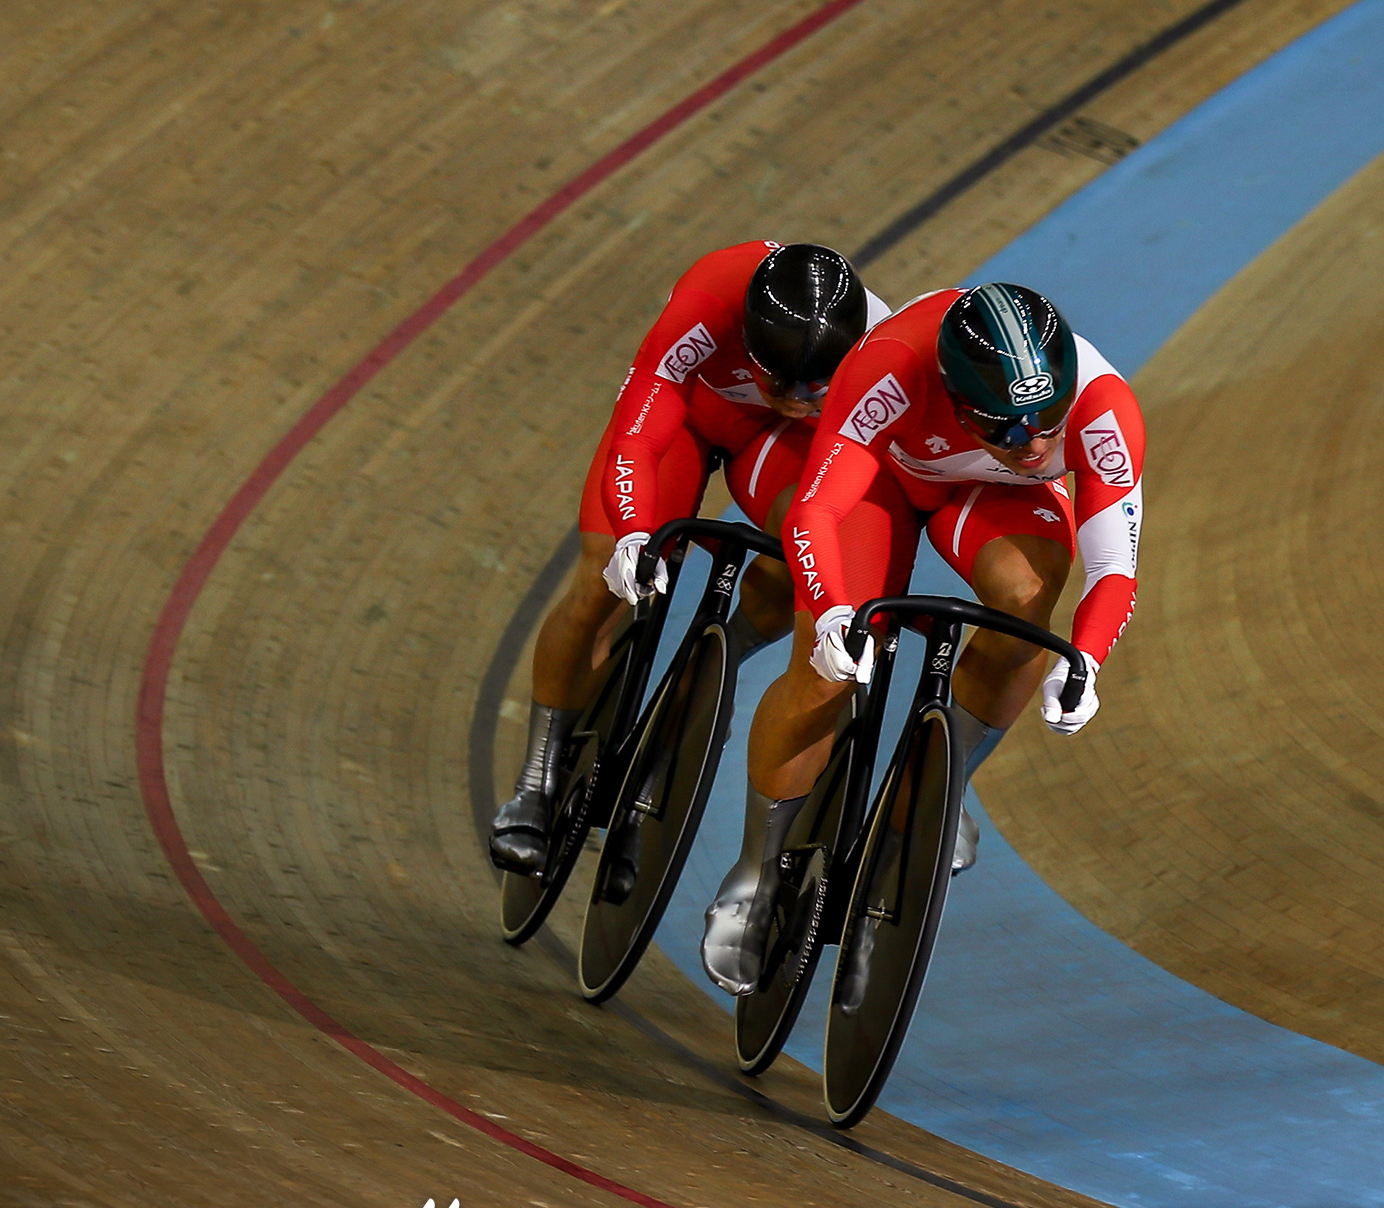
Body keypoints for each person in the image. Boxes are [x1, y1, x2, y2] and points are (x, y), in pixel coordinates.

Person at [700, 282, 1145, 994]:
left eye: (1047, 421)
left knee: (1028, 608)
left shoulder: (1101, 409)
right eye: (1003, 427)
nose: (1032, 443)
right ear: (956, 399)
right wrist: (835, 610)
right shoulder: (892, 365)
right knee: (827, 671)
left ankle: (941, 782)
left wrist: (1087, 659)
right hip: (878, 479)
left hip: (987, 494)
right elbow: (817, 509)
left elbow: (1114, 565)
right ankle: (753, 875)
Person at [489, 241, 889, 875]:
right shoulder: (709, 300)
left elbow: (844, 498)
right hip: (691, 414)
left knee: (811, 547)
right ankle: (538, 776)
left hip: (778, 445)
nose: (794, 394)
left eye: (815, 385)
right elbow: (636, 434)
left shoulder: (875, 348)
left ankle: (712, 667)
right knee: (602, 584)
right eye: (779, 379)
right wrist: (629, 533)